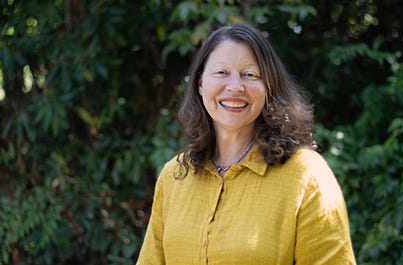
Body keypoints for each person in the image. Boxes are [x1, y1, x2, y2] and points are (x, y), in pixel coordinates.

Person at [136, 23, 356, 265]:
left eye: (250, 75)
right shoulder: (174, 176)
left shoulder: (306, 176)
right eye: (221, 72)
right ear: (200, 84)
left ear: (269, 87)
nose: (235, 87)